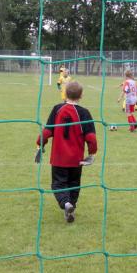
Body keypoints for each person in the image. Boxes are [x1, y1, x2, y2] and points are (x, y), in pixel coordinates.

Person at [35, 81, 97, 223]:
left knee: (58, 184)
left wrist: (40, 145)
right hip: (76, 160)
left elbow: (47, 131)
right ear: (81, 95)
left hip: (59, 159)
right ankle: (70, 207)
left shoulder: (57, 109)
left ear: (65, 93)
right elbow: (91, 137)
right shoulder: (84, 112)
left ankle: (66, 204)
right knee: (74, 184)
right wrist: (92, 154)